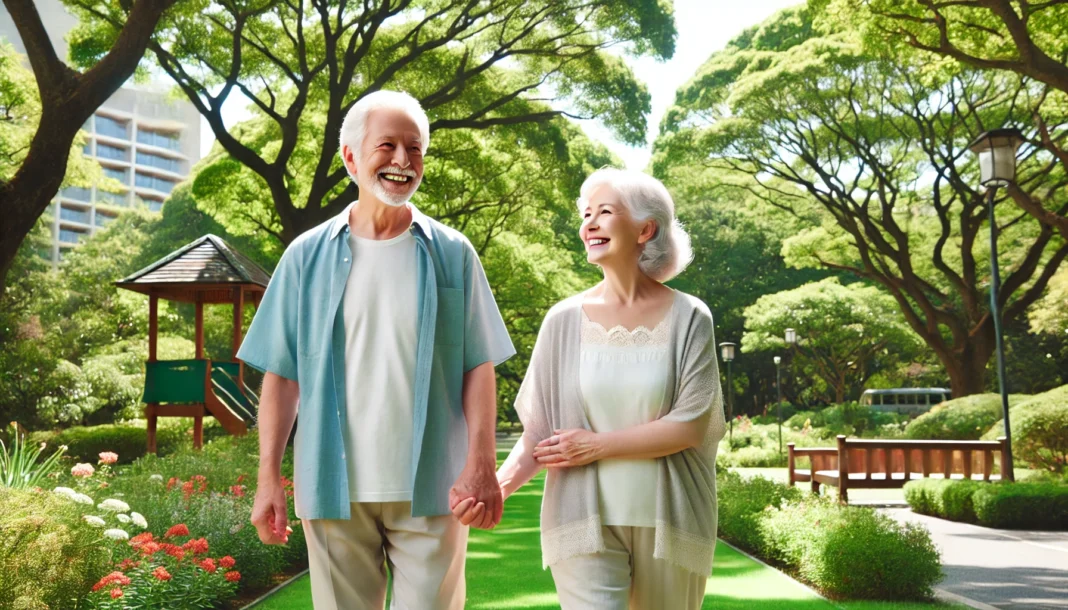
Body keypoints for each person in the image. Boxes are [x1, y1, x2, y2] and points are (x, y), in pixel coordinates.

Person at [240, 89, 515, 610]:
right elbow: (281, 375)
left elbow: (478, 364)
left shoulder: (453, 253)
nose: (401, 161)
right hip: (331, 487)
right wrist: (268, 479)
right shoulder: (304, 257)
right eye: (386, 145)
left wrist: (482, 463)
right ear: (350, 157)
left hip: (436, 486)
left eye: (414, 149)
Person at [469, 167, 725, 609]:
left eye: (605, 212)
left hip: (673, 521)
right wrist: (496, 488)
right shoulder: (563, 321)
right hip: (579, 519)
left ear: (646, 229)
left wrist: (596, 446)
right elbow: (540, 432)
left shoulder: (690, 317)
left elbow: (689, 426)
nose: (589, 223)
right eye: (586, 214)